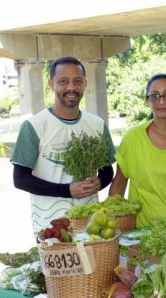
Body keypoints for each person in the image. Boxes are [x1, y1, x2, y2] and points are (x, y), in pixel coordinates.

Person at [11, 56, 115, 233]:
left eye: (77, 81)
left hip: (90, 225)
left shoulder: (97, 124)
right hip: (51, 228)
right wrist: (65, 190)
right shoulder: (34, 126)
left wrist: (100, 182)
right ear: (51, 84)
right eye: (63, 81)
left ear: (85, 83)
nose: (71, 88)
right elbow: (20, 179)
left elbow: (107, 170)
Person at [109, 74, 166, 227]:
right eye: (154, 96)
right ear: (147, 101)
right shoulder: (132, 138)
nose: (162, 101)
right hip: (141, 234)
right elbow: (118, 185)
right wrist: (111, 223)